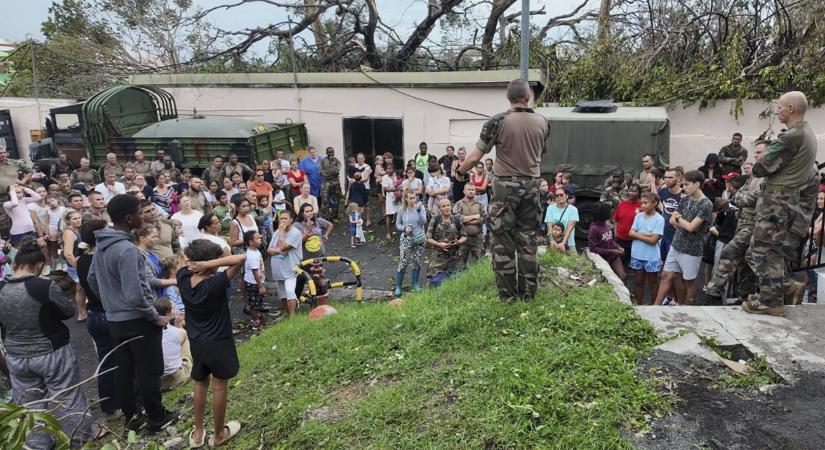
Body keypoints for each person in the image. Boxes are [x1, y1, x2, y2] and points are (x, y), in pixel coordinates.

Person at [88, 194, 179, 433]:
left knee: (125, 371)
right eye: (140, 212)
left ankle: (132, 417)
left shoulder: (101, 246)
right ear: (129, 218)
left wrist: (111, 301)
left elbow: (92, 280)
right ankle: (157, 418)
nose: (144, 215)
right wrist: (153, 315)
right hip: (137, 320)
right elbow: (135, 294)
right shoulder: (127, 250)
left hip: (115, 320)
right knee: (150, 371)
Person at [457, 79, 548, 301]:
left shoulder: (498, 121)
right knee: (528, 240)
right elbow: (541, 153)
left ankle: (508, 297)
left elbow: (476, 156)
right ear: (528, 96)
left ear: (509, 98)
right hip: (533, 185)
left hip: (506, 187)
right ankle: (528, 294)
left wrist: (460, 172)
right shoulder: (543, 121)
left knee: (502, 241)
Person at [0, 237, 92, 448]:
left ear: (14, 264)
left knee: (31, 404)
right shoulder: (43, 286)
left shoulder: (1, 289)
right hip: (51, 350)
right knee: (67, 396)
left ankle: (38, 445)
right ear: (40, 266)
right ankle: (76, 441)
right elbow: (68, 311)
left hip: (16, 355)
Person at [743, 91, 818, 316]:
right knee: (763, 248)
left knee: (766, 250)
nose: (777, 111)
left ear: (791, 109)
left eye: (780, 107)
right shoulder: (807, 133)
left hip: (776, 199)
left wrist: (763, 160)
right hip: (785, 198)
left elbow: (761, 167)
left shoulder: (791, 136)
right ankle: (781, 289)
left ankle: (771, 301)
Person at [178, 240, 244, 447]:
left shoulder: (182, 277)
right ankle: (218, 435)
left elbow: (182, 256)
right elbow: (240, 258)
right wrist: (209, 264)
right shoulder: (215, 283)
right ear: (209, 262)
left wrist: (201, 263)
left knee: (200, 383)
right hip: (218, 341)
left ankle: (198, 434)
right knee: (219, 386)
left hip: (196, 340)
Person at [77, 219, 120, 420]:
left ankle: (109, 408)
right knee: (125, 357)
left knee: (105, 361)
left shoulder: (81, 261)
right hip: (110, 313)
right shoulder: (104, 257)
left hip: (93, 314)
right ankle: (132, 401)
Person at [653, 170, 713, 305]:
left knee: (689, 281)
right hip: (676, 244)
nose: (683, 188)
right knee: (666, 276)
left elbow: (691, 227)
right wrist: (683, 223)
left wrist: (680, 220)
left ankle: (686, 307)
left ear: (697, 184)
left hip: (692, 249)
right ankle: (655, 307)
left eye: (686, 184)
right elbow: (672, 220)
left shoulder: (706, 204)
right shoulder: (685, 199)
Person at [628, 192, 664, 304]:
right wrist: (648, 234)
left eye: (645, 203)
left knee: (653, 283)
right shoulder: (638, 216)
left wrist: (637, 234)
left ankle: (653, 307)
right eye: (641, 203)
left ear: (655, 203)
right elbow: (630, 232)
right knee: (638, 282)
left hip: (651, 256)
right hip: (637, 255)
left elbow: (654, 241)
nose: (642, 205)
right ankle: (639, 306)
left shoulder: (659, 219)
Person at [268, 210, 303, 317]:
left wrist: (281, 234)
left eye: (285, 218)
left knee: (289, 291)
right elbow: (269, 250)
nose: (282, 221)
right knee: (282, 294)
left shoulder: (295, 233)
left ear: (291, 220)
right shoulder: (276, 232)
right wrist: (279, 250)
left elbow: (283, 247)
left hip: (290, 268)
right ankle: (286, 313)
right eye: (281, 218)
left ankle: (293, 316)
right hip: (278, 268)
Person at [154, 298, 192, 391]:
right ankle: (189, 364)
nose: (177, 310)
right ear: (168, 313)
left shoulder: (148, 332)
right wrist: (178, 324)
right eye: (174, 308)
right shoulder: (178, 332)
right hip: (177, 378)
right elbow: (178, 338)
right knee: (184, 340)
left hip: (158, 381)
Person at [395, 192, 428, 296]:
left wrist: (418, 210)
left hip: (419, 239)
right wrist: (404, 229)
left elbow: (424, 222)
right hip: (406, 239)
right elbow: (397, 224)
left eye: (414, 198)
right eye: (410, 198)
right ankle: (398, 286)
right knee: (403, 262)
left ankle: (415, 283)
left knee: (417, 261)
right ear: (406, 199)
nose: (413, 200)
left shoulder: (420, 208)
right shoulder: (401, 210)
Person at [426, 198, 467, 281]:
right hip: (438, 259)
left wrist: (458, 242)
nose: (446, 207)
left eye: (448, 205)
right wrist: (439, 245)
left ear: (451, 207)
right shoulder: (435, 220)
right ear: (439, 209)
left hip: (455, 259)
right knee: (434, 282)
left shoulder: (457, 219)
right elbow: (428, 238)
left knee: (455, 282)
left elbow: (464, 236)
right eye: (443, 206)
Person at [136, 225, 176, 301]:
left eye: (157, 237)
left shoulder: (152, 253)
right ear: (142, 238)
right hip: (152, 297)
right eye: (153, 237)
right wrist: (175, 281)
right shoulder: (139, 255)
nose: (156, 240)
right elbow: (151, 281)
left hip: (160, 294)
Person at [588, 201, 626, 280]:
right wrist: (612, 251)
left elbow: (610, 240)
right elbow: (593, 248)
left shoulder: (607, 225)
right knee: (607, 280)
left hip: (613, 256)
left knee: (622, 276)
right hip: (602, 258)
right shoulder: (594, 229)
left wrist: (618, 247)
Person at [63, 210, 88, 321]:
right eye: (75, 219)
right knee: (80, 288)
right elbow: (68, 253)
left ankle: (84, 312)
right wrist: (77, 267)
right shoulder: (69, 233)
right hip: (75, 264)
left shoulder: (79, 230)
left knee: (82, 288)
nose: (78, 220)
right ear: (68, 221)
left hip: (81, 262)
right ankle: (81, 313)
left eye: (79, 218)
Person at [453, 184, 486, 267]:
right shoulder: (458, 204)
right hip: (462, 239)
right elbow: (457, 219)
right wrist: (475, 217)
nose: (471, 191)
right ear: (464, 191)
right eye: (469, 189)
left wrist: (466, 220)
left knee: (480, 264)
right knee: (460, 265)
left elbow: (485, 218)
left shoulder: (480, 204)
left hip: (477, 238)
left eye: (473, 189)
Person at [4, 180, 41, 246]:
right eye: (17, 193)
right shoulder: (7, 204)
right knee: (20, 252)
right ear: (10, 194)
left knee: (34, 250)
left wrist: (23, 187)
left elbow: (38, 197)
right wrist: (12, 190)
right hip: (18, 232)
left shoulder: (24, 200)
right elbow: (15, 203)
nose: (20, 194)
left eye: (21, 192)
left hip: (31, 229)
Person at [611, 184, 641, 265]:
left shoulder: (642, 205)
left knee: (631, 263)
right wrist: (616, 234)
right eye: (630, 191)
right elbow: (616, 220)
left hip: (634, 240)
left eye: (634, 191)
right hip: (620, 239)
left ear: (639, 193)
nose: (631, 193)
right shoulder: (622, 204)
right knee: (619, 262)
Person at [657, 168, 683, 262]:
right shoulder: (662, 192)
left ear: (679, 178)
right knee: (664, 263)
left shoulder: (685, 195)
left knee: (675, 266)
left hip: (678, 236)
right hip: (664, 234)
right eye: (665, 177)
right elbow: (657, 205)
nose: (667, 180)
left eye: (670, 177)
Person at [242, 230, 265, 330]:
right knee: (254, 304)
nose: (260, 239)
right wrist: (260, 286)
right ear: (251, 242)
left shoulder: (255, 251)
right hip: (253, 283)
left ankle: (256, 316)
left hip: (256, 281)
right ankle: (256, 321)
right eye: (257, 238)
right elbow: (255, 272)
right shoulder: (252, 255)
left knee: (256, 302)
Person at [381, 166, 401, 240]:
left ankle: (403, 231)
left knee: (401, 213)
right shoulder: (385, 177)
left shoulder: (397, 175)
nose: (389, 170)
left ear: (393, 169)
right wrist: (397, 188)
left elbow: (402, 181)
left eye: (390, 168)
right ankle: (389, 233)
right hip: (390, 198)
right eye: (387, 169)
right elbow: (387, 189)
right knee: (389, 215)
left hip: (399, 197)